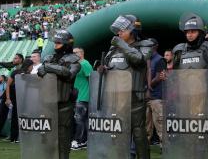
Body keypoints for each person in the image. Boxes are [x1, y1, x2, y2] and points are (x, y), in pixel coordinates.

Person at [101, 15, 153, 159]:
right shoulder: (114, 48)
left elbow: (139, 60)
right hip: (116, 98)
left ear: (133, 30)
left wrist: (121, 44)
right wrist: (103, 69)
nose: (119, 33)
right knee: (118, 133)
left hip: (135, 97)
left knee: (138, 133)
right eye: (118, 31)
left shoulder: (145, 45)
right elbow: (111, 67)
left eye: (122, 30)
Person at [37, 30, 81, 159]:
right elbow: (40, 71)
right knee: (48, 138)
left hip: (64, 104)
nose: (55, 45)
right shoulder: (50, 57)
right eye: (55, 42)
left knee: (63, 139)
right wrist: (49, 67)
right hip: (48, 103)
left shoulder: (74, 61)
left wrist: (49, 67)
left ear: (66, 44)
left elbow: (68, 74)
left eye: (58, 42)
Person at [146, 39, 166, 149]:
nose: (148, 47)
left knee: (160, 123)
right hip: (145, 97)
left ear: (156, 46)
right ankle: (144, 146)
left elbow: (159, 77)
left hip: (157, 97)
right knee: (145, 125)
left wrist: (146, 87)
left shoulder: (160, 60)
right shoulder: (145, 59)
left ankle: (165, 147)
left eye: (150, 45)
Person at [71, 47, 91, 150]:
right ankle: (85, 141)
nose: (73, 54)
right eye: (73, 52)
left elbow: (91, 80)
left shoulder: (85, 64)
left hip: (83, 96)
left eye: (76, 52)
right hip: (77, 96)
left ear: (81, 53)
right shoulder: (75, 65)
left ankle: (79, 141)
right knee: (83, 120)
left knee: (79, 120)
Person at [5, 53, 25, 143]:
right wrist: (8, 98)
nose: (14, 60)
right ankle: (13, 137)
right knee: (13, 117)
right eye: (14, 58)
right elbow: (8, 85)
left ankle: (18, 137)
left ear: (21, 59)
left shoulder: (24, 71)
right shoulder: (13, 71)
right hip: (14, 98)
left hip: (24, 98)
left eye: (16, 58)